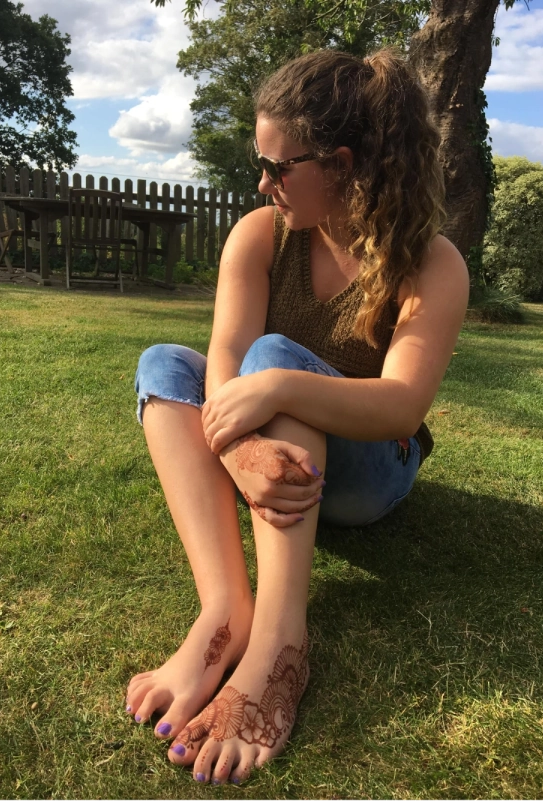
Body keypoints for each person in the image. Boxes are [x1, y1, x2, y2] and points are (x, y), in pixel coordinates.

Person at [125, 48, 469, 786]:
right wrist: (241, 450)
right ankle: (226, 613)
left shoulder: (429, 263)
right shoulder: (259, 236)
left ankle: (283, 643)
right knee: (162, 363)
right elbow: (221, 365)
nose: (262, 182)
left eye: (278, 167)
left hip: (370, 468)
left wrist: (275, 386)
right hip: (264, 453)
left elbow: (403, 403)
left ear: (341, 165)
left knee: (276, 358)